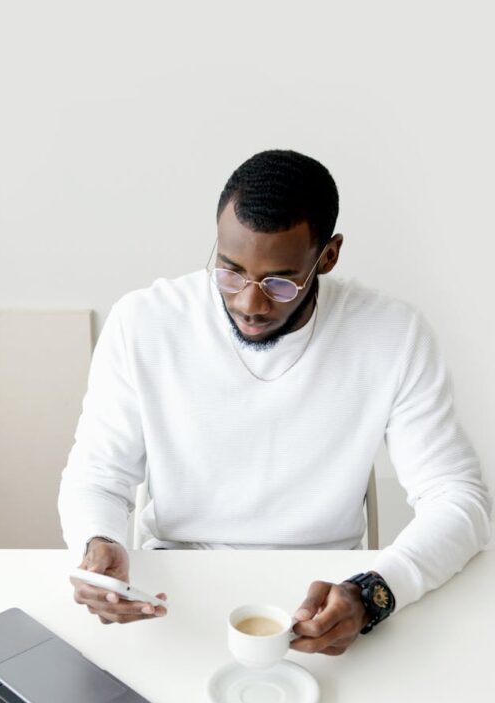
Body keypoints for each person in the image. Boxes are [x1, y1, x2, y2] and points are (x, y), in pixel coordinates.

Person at [58, 149, 491, 655]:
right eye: (230, 272)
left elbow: (460, 500)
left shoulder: (392, 335)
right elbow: (97, 476)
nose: (249, 303)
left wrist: (372, 593)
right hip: (175, 585)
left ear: (327, 257)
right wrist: (99, 544)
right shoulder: (144, 322)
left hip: (323, 594)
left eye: (280, 282)